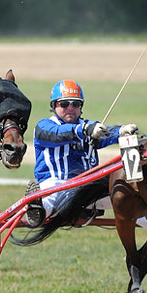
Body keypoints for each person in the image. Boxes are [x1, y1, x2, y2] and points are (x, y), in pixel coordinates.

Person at [27, 79, 137, 226]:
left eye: (76, 104)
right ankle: (35, 209)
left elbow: (106, 134)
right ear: (54, 105)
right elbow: (57, 134)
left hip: (87, 191)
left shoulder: (89, 127)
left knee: (130, 198)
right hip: (55, 185)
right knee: (47, 202)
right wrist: (83, 130)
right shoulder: (44, 126)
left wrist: (122, 131)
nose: (70, 108)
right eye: (64, 104)